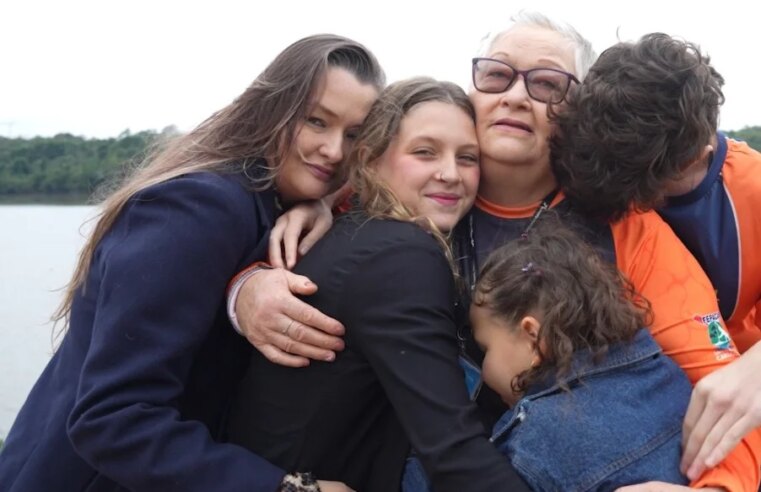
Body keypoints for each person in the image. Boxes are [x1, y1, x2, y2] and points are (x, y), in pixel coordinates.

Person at [231, 13, 761, 491]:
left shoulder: (627, 229)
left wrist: (718, 490)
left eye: (547, 83)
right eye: (497, 74)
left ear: (576, 110)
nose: (515, 95)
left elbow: (723, 392)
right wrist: (250, 287)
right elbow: (300, 251)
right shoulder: (403, 194)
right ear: (473, 92)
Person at [0, 34, 383, 492]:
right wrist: (287, 488)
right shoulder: (198, 207)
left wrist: (327, 204)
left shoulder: (269, 204)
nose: (335, 150)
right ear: (272, 108)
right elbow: (114, 420)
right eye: (316, 121)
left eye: (355, 135)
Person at [225, 77, 531, 492]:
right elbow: (452, 452)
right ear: (369, 162)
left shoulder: (360, 235)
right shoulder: (400, 255)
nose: (450, 174)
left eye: (467, 158)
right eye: (425, 152)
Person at [551, 32, 761, 483]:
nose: (631, 199)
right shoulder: (606, 168)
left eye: (650, 181)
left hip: (736, 389)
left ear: (702, 149)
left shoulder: (753, 189)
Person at [471, 216, 694, 490]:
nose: (483, 369)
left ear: (533, 338)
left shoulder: (535, 439)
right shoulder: (668, 375)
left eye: (485, 349)